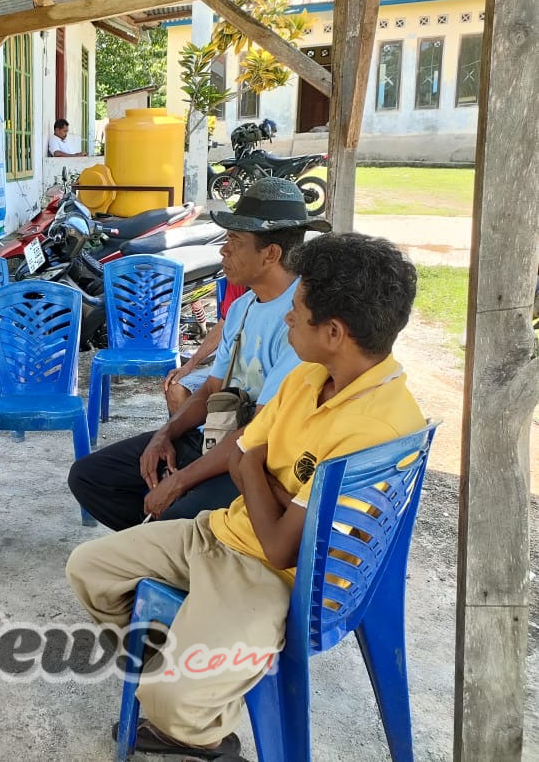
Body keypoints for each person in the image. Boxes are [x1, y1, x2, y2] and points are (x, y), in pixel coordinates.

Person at [66, 232, 426, 758]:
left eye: (297, 314)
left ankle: (201, 719)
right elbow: (239, 453)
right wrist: (261, 478)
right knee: (89, 569)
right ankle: (192, 665)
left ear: (333, 331)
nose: (286, 320)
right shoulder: (308, 376)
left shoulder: (377, 426)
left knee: (168, 703)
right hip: (220, 533)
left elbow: (281, 545)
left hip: (271, 578)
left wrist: (254, 471)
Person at [68, 178, 330, 530]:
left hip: (256, 461)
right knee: (90, 477)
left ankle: (165, 546)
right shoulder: (243, 307)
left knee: (172, 513)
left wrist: (181, 480)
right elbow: (210, 390)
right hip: (217, 437)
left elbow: (258, 433)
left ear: (271, 254)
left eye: (235, 242)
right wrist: (166, 434)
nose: (223, 250)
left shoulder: (301, 318)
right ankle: (160, 551)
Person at [163, 282, 248, 415]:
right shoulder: (238, 286)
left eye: (229, 258)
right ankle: (185, 435)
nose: (224, 265)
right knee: (175, 387)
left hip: (256, 373)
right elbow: (223, 325)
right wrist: (189, 365)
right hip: (232, 365)